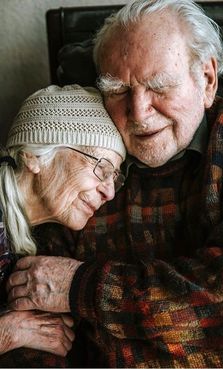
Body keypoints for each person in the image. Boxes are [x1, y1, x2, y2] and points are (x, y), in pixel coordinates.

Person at [7, 0, 223, 367]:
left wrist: (81, 287)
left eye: (159, 86)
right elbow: (37, 307)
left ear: (207, 80)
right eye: (117, 90)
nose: (139, 112)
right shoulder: (82, 158)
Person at [0, 84, 125, 367]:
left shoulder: (31, 237)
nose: (110, 193)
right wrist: (9, 332)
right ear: (33, 156)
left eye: (115, 177)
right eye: (101, 168)